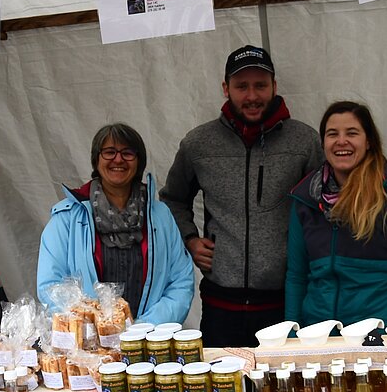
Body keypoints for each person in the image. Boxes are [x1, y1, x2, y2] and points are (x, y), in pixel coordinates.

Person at [160, 45, 322, 346]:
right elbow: (172, 199)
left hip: (285, 302)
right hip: (221, 305)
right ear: (226, 88)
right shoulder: (199, 144)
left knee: (281, 389)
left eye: (260, 85)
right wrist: (190, 241)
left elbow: (324, 209)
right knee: (227, 388)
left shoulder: (305, 141)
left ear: (274, 86)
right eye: (241, 86)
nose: (252, 96)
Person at [285, 101, 387, 327]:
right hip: (319, 332)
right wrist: (292, 331)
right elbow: (296, 276)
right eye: (332, 134)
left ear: (369, 142)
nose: (341, 141)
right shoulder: (305, 198)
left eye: (352, 133)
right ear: (323, 143)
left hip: (381, 332)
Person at [37, 123, 194, 325]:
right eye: (109, 152)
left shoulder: (160, 216)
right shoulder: (67, 217)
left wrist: (145, 329)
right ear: (96, 159)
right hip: (89, 348)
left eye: (127, 153)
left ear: (139, 161)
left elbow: (181, 281)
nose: (118, 159)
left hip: (150, 342)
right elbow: (50, 286)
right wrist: (94, 328)